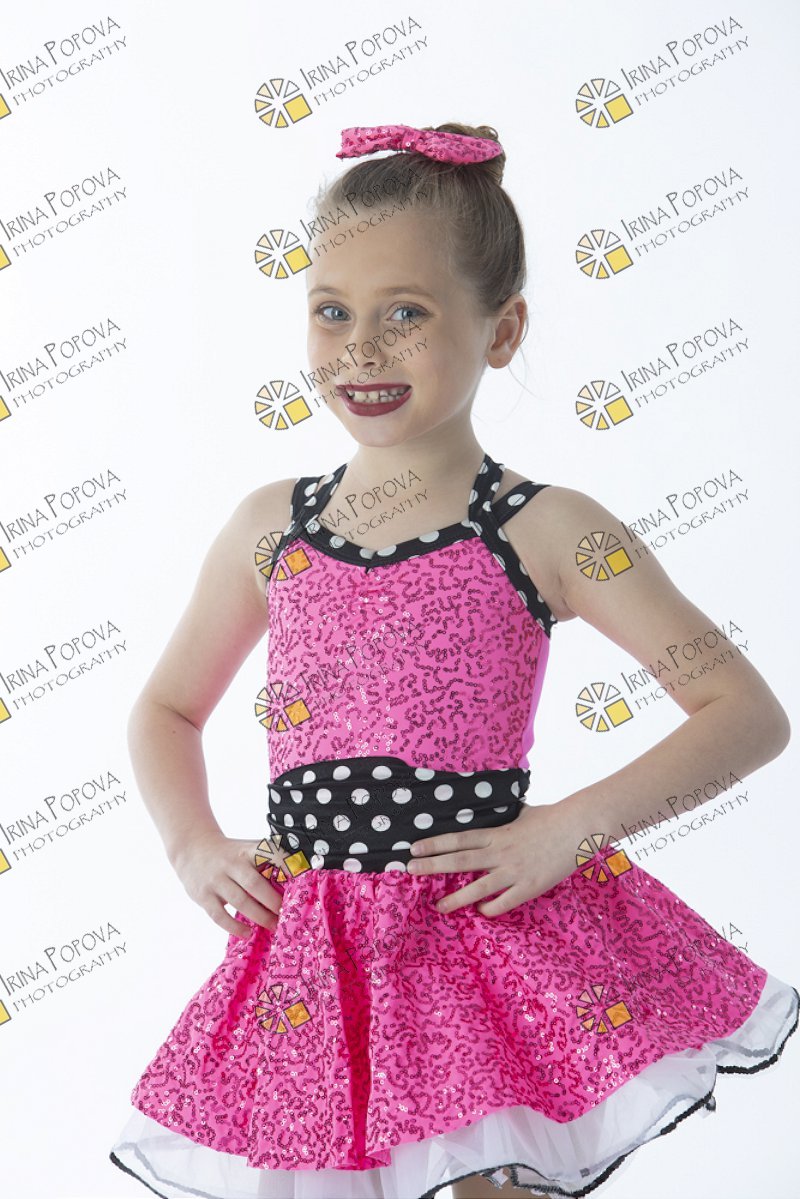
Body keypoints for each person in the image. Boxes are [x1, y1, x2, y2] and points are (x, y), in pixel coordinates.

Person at [108, 122, 799, 1199]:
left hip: (473, 939)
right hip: (316, 960)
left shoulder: (549, 529)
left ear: (503, 328)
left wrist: (570, 826)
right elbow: (165, 708)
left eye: (407, 314)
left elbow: (744, 711)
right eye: (332, 311)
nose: (361, 349)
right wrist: (193, 842)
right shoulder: (269, 528)